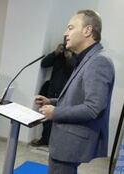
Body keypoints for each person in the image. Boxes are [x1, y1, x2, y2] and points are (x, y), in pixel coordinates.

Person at [35, 9, 114, 174]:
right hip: (66, 140)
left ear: (87, 30)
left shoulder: (98, 61)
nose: (65, 33)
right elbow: (78, 98)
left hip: (70, 143)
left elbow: (93, 108)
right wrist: (51, 102)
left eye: (70, 28)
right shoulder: (87, 58)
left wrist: (55, 112)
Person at [31, 43, 75, 147]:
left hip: (66, 92)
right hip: (52, 90)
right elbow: (44, 63)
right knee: (46, 117)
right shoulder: (58, 55)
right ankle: (44, 139)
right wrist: (55, 52)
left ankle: (57, 143)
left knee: (61, 118)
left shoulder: (77, 56)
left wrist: (69, 57)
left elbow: (74, 68)